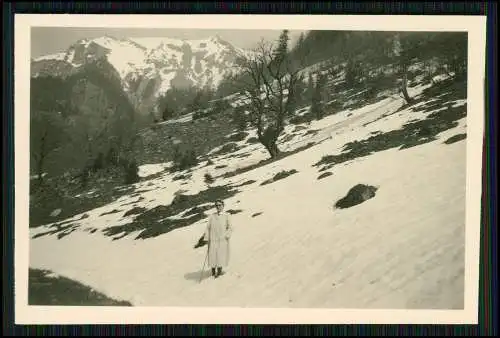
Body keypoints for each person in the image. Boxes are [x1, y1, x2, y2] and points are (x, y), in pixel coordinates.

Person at [202, 199, 233, 278]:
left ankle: (219, 273)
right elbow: (208, 227)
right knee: (212, 255)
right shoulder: (212, 216)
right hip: (213, 239)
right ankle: (212, 272)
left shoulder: (227, 215)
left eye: (220, 205)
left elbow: (230, 227)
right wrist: (207, 238)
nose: (218, 207)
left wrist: (226, 236)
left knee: (220, 256)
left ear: (223, 206)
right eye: (216, 205)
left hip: (222, 240)